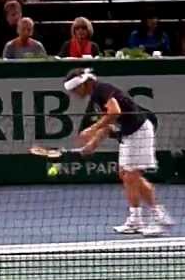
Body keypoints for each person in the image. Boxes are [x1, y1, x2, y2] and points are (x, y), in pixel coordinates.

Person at [64, 68, 172, 236]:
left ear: (84, 84)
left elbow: (114, 113)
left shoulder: (102, 89)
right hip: (129, 134)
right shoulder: (96, 97)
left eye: (74, 89)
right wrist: (90, 147)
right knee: (127, 175)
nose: (73, 94)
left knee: (131, 176)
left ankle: (158, 219)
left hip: (139, 131)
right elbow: (108, 126)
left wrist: (91, 129)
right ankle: (138, 220)